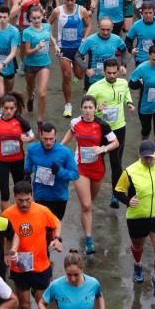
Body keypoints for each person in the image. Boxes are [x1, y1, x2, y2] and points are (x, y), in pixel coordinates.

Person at [114, 140, 155, 299]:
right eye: (144, 157)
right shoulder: (130, 171)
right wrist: (128, 201)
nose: (148, 159)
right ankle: (138, 265)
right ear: (139, 156)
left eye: (150, 156)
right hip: (137, 217)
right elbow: (118, 191)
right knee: (137, 246)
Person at [61, 95, 119, 254]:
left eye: (90, 108)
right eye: (85, 108)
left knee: (89, 203)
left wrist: (103, 149)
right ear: (81, 109)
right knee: (86, 204)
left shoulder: (102, 125)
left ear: (95, 109)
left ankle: (85, 217)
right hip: (80, 168)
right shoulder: (75, 122)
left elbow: (115, 142)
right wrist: (59, 146)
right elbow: (71, 132)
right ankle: (88, 241)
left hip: (97, 169)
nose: (87, 111)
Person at [2, 181, 62, 309]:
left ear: (32, 196)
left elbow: (56, 223)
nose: (24, 204)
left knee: (42, 302)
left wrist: (56, 238)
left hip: (40, 265)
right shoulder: (7, 214)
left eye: (27, 199)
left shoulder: (42, 211)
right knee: (24, 306)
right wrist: (5, 254)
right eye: (20, 200)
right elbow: (3, 237)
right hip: (19, 267)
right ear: (15, 197)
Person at [87, 58, 135, 208]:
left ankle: (116, 194)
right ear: (104, 71)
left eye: (115, 72)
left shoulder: (123, 83)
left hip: (119, 128)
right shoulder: (95, 88)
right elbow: (85, 109)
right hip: (101, 129)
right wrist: (96, 109)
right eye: (109, 73)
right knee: (96, 161)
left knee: (116, 163)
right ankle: (89, 190)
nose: (112, 75)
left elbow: (126, 94)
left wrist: (129, 103)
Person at [0, 95, 35, 210]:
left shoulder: (21, 122)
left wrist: (28, 139)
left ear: (16, 108)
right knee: (4, 193)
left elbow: (31, 135)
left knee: (20, 191)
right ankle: (7, 221)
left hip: (18, 161)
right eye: (6, 108)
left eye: (11, 108)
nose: (8, 111)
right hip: (1, 162)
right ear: (2, 107)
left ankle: (21, 215)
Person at [38, 249, 109, 309]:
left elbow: (99, 296)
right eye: (69, 275)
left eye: (76, 275)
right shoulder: (56, 285)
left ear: (82, 269)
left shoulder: (93, 283)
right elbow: (41, 303)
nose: (72, 279)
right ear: (65, 270)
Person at [49, 0, 91, 118]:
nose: (70, 3)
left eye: (72, 0)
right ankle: (68, 104)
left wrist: (84, 38)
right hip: (63, 48)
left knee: (79, 76)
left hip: (78, 48)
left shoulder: (82, 10)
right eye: (67, 0)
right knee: (66, 76)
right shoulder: (58, 11)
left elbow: (88, 25)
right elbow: (47, 25)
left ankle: (74, 67)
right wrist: (53, 40)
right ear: (63, 0)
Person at [25, 122, 79, 221]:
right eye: (45, 139)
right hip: (39, 196)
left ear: (56, 136)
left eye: (51, 139)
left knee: (54, 229)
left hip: (58, 198)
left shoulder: (65, 152)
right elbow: (28, 165)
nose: (48, 142)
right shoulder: (32, 149)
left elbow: (75, 174)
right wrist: (27, 173)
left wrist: (60, 171)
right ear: (40, 135)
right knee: (40, 228)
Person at [22, 4, 54, 130]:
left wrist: (55, 45)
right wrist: (37, 48)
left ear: (42, 16)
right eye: (34, 18)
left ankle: (40, 119)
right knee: (30, 88)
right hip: (30, 64)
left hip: (44, 63)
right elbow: (27, 52)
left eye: (38, 17)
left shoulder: (47, 26)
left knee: (42, 93)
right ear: (30, 18)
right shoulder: (27, 32)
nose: (36, 20)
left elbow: (50, 37)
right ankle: (30, 97)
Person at [76, 17, 127, 90]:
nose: (105, 32)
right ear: (98, 27)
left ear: (112, 27)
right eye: (103, 29)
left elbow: (124, 51)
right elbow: (78, 56)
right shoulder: (90, 40)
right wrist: (86, 69)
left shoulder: (117, 39)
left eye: (108, 30)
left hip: (110, 78)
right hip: (93, 79)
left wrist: (123, 65)